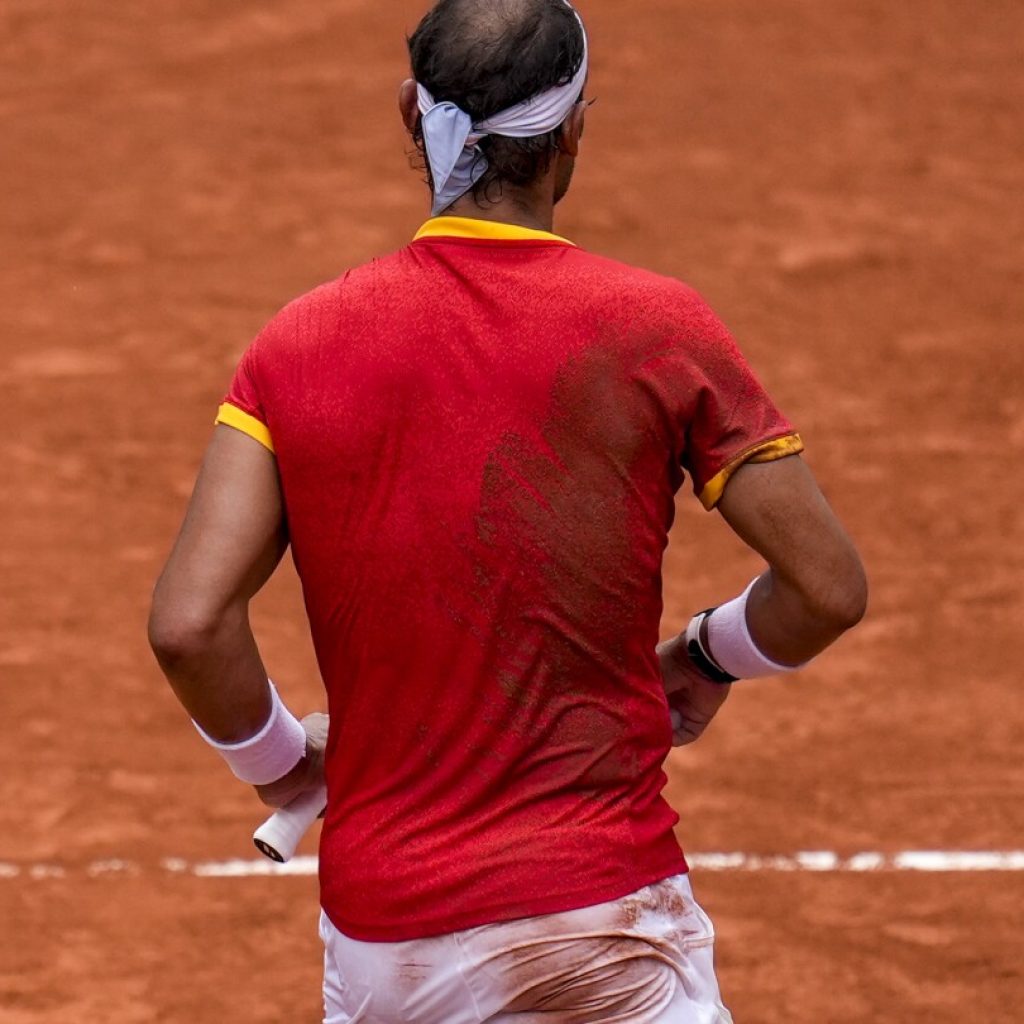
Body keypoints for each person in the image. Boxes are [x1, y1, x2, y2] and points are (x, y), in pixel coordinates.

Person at [148, 0, 867, 1020]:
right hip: (603, 925)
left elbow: (188, 623)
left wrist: (278, 760)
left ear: (413, 114)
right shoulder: (656, 327)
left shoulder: (295, 345)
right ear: (571, 132)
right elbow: (825, 587)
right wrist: (708, 657)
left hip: (384, 945)